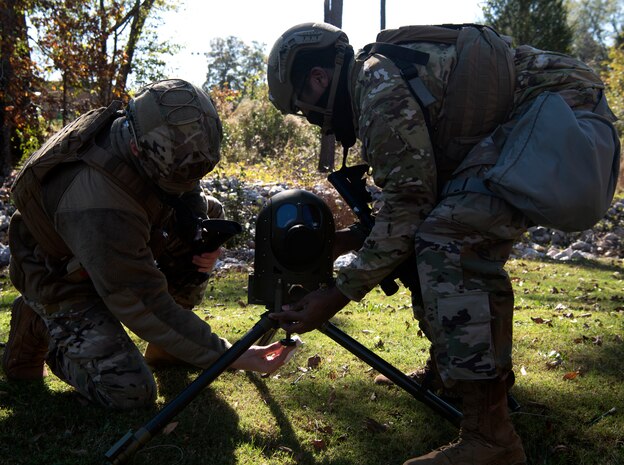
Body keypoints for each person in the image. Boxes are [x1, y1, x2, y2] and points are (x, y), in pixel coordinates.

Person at [265, 23, 618, 465]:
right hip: (542, 115)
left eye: (305, 110)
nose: (317, 123)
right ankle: (456, 377)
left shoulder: (375, 89)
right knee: (434, 233)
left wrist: (336, 295)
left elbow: (410, 206)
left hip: (561, 113)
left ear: (318, 79)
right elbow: (413, 203)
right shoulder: (379, 79)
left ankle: (492, 439)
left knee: (446, 241)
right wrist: (350, 241)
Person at [2, 79, 296, 409]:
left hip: (109, 250)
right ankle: (41, 323)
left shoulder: (157, 139)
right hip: (57, 276)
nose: (186, 187)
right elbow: (141, 301)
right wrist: (231, 355)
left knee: (206, 219)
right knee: (128, 391)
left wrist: (202, 241)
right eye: (175, 182)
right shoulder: (99, 203)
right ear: (135, 149)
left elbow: (189, 193)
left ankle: (170, 348)